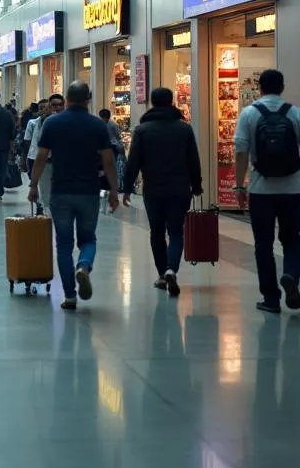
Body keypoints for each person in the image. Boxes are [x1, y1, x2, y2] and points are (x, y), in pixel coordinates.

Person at [29, 81, 119, 310]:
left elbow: (41, 157)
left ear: (67, 99)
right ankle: (84, 265)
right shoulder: (98, 126)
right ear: (88, 99)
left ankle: (69, 295)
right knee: (88, 238)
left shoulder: (52, 123)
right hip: (88, 191)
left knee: (64, 244)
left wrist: (33, 185)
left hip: (60, 191)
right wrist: (114, 190)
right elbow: (108, 160)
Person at [233, 69, 300, 313]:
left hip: (261, 190)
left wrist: (240, 185)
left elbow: (241, 152)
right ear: (282, 87)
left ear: (259, 87)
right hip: (292, 190)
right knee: (292, 238)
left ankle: (271, 298)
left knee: (263, 244)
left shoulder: (249, 114)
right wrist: (297, 174)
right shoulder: (295, 113)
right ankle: (290, 274)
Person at [122, 87, 203, 296]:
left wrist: (128, 187)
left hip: (153, 189)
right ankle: (171, 269)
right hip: (179, 188)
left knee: (156, 232)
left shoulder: (142, 130)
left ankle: (161, 274)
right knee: (176, 231)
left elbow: (134, 161)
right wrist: (197, 184)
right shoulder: (184, 129)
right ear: (172, 101)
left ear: (152, 102)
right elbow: (193, 159)